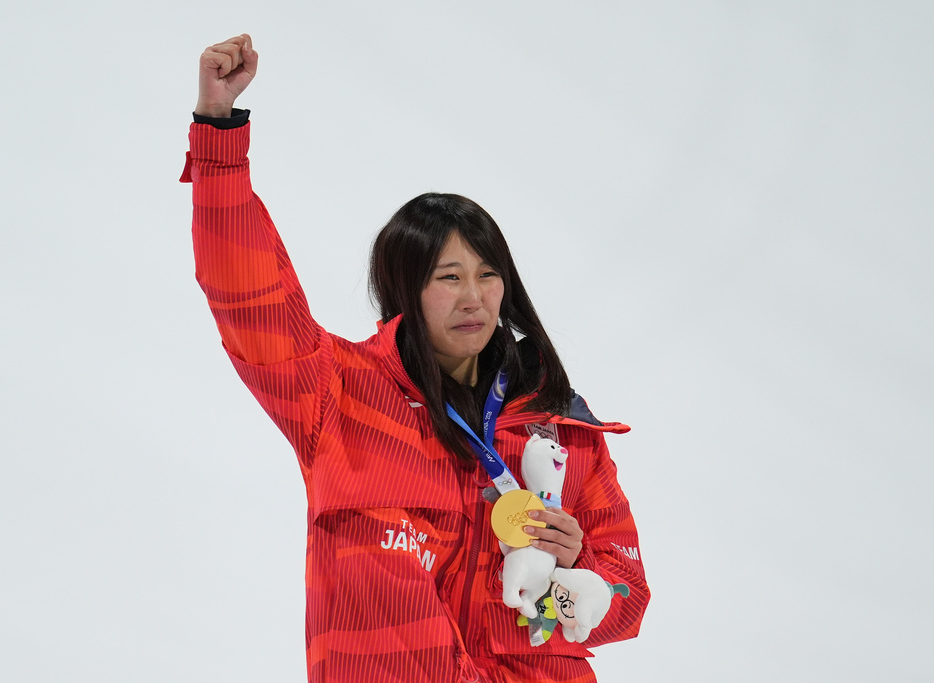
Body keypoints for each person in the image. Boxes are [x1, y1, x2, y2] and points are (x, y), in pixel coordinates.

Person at [182, 34, 649, 683]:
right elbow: (249, 294)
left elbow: (629, 599)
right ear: (406, 288)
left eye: (487, 275)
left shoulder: (559, 428)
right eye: (449, 277)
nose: (474, 297)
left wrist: (582, 568)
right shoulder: (339, 394)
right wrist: (219, 137)